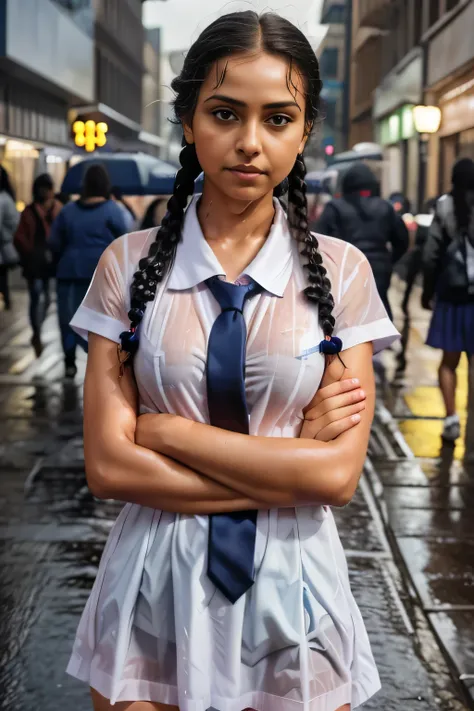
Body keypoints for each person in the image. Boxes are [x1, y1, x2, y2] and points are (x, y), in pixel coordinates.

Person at [66, 12, 399, 711]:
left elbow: (337, 476)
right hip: (153, 583)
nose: (250, 143)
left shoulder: (342, 275)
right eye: (225, 113)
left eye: (278, 118)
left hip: (296, 587)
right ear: (189, 120)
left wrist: (169, 433)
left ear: (305, 130)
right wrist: (288, 463)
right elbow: (107, 465)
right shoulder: (125, 267)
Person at [49, 163, 127, 379]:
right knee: (101, 321)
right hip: (102, 275)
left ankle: (69, 362)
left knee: (68, 319)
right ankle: (97, 362)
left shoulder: (68, 211)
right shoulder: (112, 211)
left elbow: (54, 242)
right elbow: (125, 241)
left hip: (69, 273)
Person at [422, 158, 474, 442]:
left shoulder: (444, 206)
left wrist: (427, 292)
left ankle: (452, 418)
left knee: (448, 362)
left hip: (452, 298)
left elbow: (431, 255)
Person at [317, 163, 409, 319]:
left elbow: (320, 240)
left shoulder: (335, 207)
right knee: (378, 307)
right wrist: (388, 260)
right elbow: (402, 240)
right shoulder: (385, 207)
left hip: (345, 268)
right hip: (379, 268)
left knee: (346, 314)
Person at [14, 173, 62, 356]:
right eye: (42, 188)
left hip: (51, 263)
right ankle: (36, 333)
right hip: (34, 264)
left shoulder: (58, 209)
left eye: (47, 188)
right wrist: (30, 253)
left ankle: (38, 329)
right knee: (36, 297)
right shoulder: (29, 211)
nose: (45, 192)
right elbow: (20, 237)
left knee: (48, 299)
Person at [0, 166, 20, 310]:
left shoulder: (2, 200)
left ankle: (6, 301)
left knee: (2, 278)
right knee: (3, 278)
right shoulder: (7, 197)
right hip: (7, 245)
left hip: (3, 247)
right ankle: (7, 301)